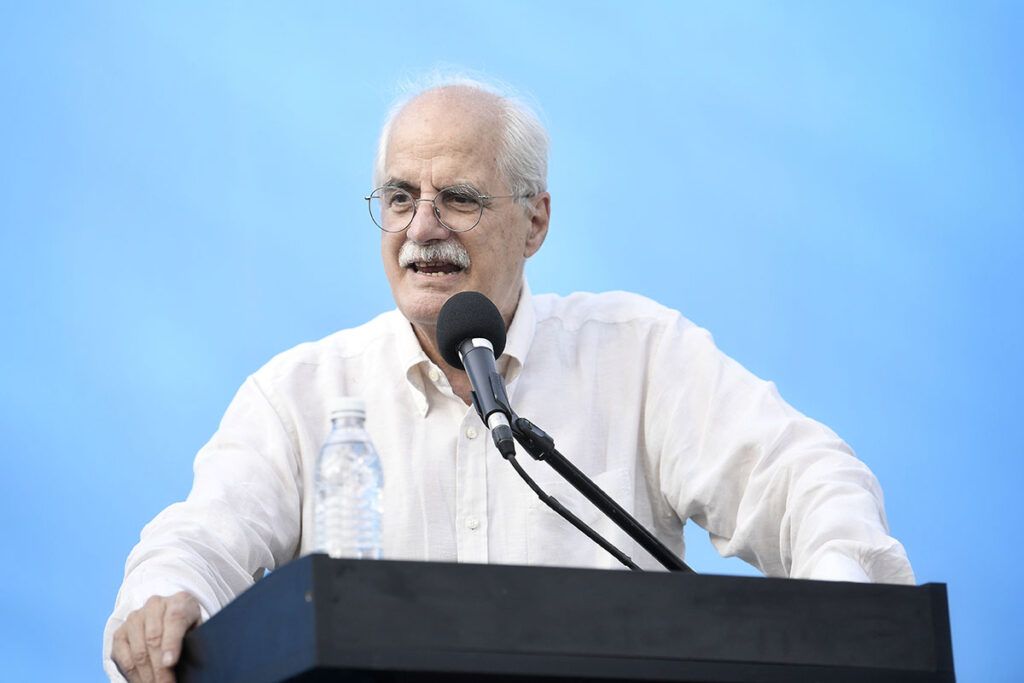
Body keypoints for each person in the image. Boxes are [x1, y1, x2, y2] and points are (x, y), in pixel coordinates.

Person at [104, 76, 915, 682]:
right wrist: (168, 599)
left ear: (536, 221)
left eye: (457, 198)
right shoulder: (301, 395)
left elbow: (803, 476)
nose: (422, 228)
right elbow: (197, 541)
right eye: (399, 198)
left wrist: (839, 609)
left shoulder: (637, 355)